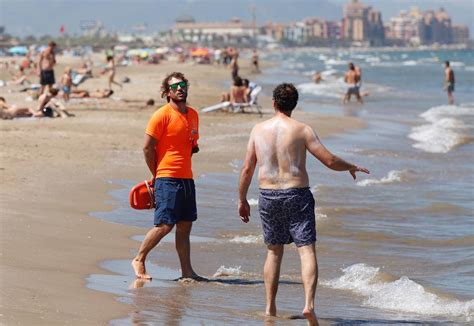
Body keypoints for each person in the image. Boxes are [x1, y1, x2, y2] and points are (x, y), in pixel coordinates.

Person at [238, 83, 369, 325]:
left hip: (268, 195)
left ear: (274, 103)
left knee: (273, 251)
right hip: (297, 194)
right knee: (306, 249)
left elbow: (248, 167)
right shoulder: (302, 129)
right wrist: (351, 166)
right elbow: (329, 160)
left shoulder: (258, 130)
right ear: (294, 105)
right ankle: (308, 305)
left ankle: (269, 308)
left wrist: (242, 199)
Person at [131, 72, 203, 281]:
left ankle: (187, 272)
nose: (180, 88)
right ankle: (139, 258)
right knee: (165, 224)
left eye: (183, 85)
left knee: (185, 224)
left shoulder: (193, 115)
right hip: (166, 177)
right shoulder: (161, 115)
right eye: (175, 86)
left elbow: (191, 145)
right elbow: (147, 148)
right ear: (167, 92)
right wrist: (157, 174)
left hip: (187, 178)